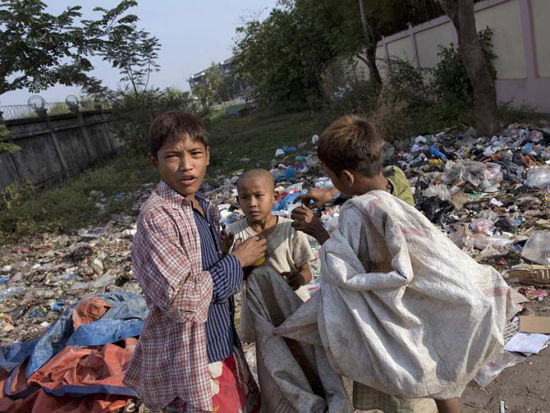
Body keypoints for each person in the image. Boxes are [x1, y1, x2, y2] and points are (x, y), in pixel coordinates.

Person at [290, 115, 515, 413]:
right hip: (419, 299)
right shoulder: (394, 187)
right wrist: (333, 193)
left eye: (332, 178)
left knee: (409, 381)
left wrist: (318, 231)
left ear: (346, 178)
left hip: (393, 315)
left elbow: (346, 267)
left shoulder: (357, 213)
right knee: (438, 372)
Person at [123, 111, 265, 413]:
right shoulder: (158, 218)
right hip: (196, 361)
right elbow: (183, 301)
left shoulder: (202, 206)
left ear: (208, 156)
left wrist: (233, 261)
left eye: (195, 154)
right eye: (173, 156)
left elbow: (208, 279)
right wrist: (236, 262)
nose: (187, 166)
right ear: (154, 162)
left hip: (223, 344)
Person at [227, 168, 314, 300]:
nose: (252, 204)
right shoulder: (232, 233)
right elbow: (229, 276)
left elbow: (306, 271)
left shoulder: (290, 229)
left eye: (258, 196)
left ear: (274, 197)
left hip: (295, 306)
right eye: (245, 197)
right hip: (258, 310)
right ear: (238, 201)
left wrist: (299, 279)